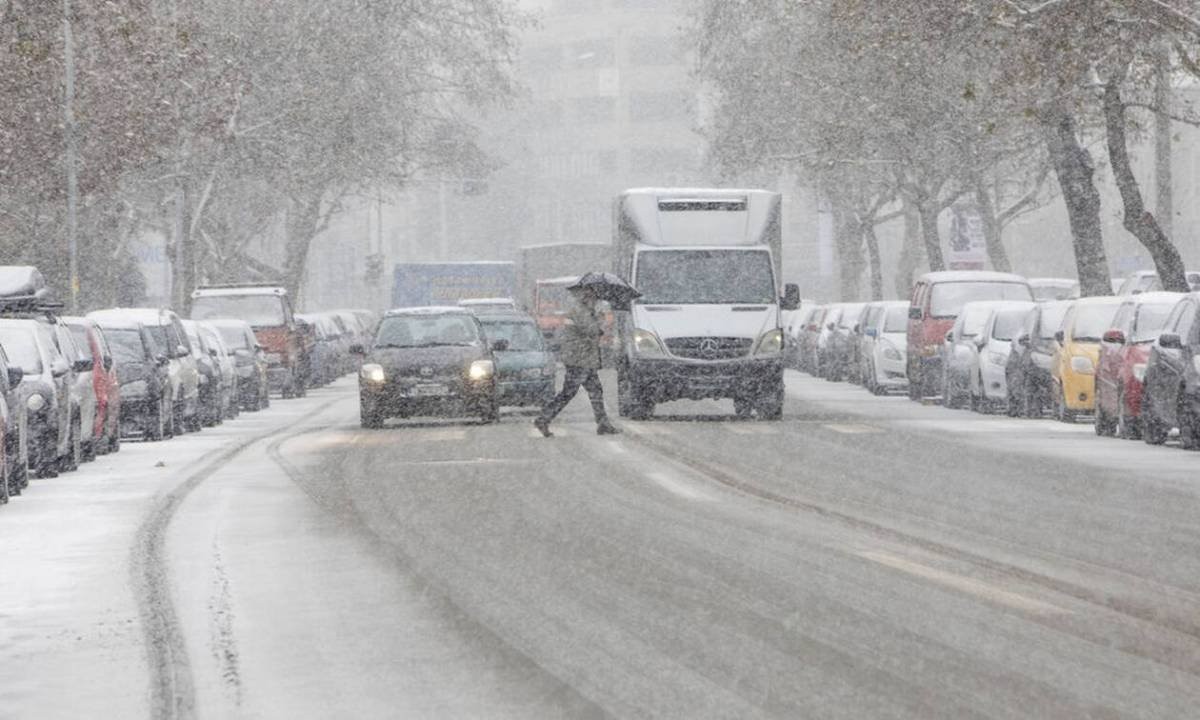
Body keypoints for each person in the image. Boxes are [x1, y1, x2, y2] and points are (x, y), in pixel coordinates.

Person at [534, 287, 619, 436]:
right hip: (579, 358)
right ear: (587, 297)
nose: (595, 300)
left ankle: (603, 423)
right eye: (594, 297)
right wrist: (599, 319)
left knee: (595, 390)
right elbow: (591, 329)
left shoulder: (583, 309)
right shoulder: (580, 310)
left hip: (583, 358)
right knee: (570, 392)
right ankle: (544, 418)